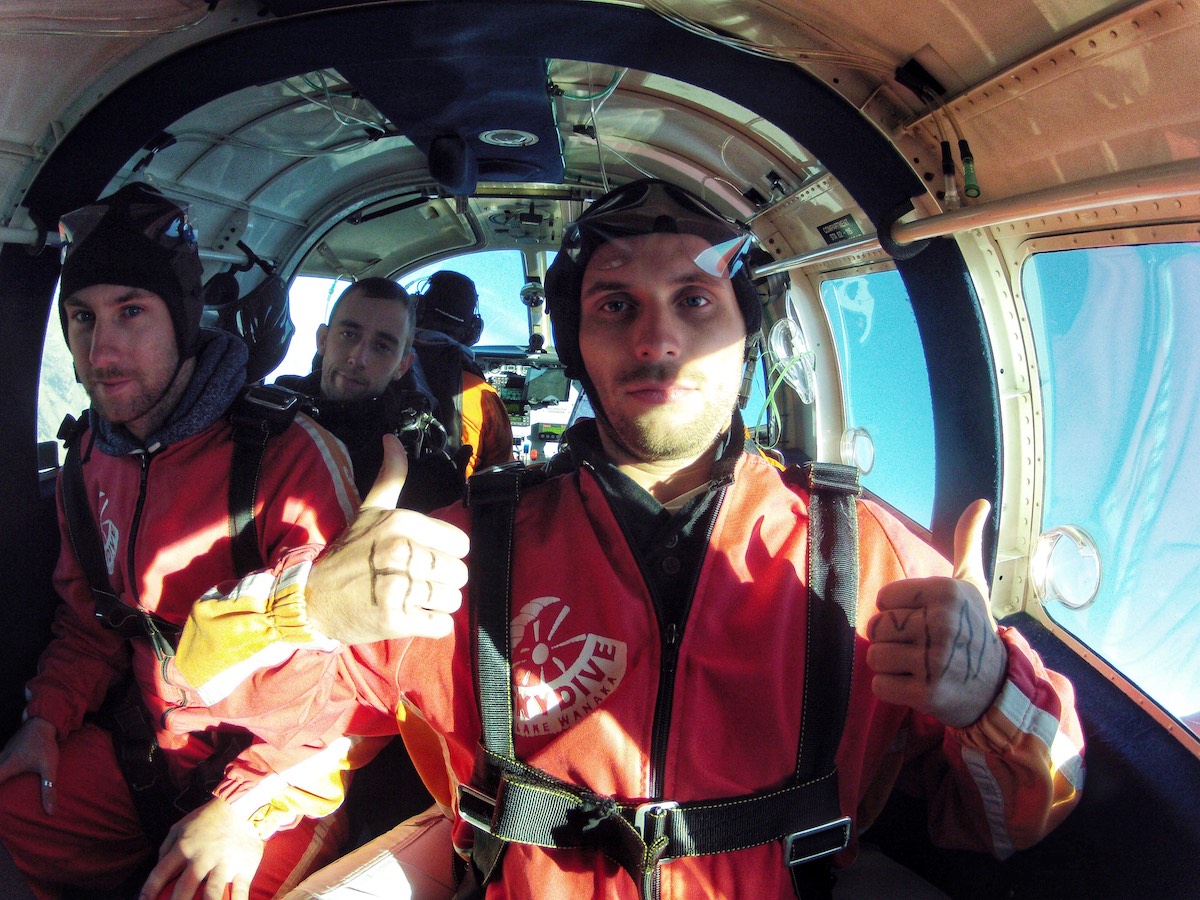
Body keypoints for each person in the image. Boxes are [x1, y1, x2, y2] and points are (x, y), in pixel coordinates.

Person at [163, 179, 1084, 897]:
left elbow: (1012, 823)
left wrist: (991, 695)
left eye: (695, 302)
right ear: (577, 344)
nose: (656, 340)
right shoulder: (463, 554)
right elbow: (202, 690)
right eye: (615, 306)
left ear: (746, 337)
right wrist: (306, 605)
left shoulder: (867, 559)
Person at [0, 183, 364, 900]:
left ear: (184, 318)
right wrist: (45, 718)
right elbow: (89, 625)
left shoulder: (287, 457)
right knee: (12, 815)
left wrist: (244, 805)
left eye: (131, 311)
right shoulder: (88, 461)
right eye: (82, 317)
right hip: (149, 752)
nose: (100, 349)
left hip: (284, 774)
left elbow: (358, 683)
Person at [276, 277, 462, 512]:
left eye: (382, 346)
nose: (358, 358)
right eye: (349, 334)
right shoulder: (268, 418)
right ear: (322, 340)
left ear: (402, 366)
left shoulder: (418, 456)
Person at [405, 271, 513, 476]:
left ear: (416, 311)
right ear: (473, 330)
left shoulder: (387, 368)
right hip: (456, 494)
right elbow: (504, 472)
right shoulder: (481, 393)